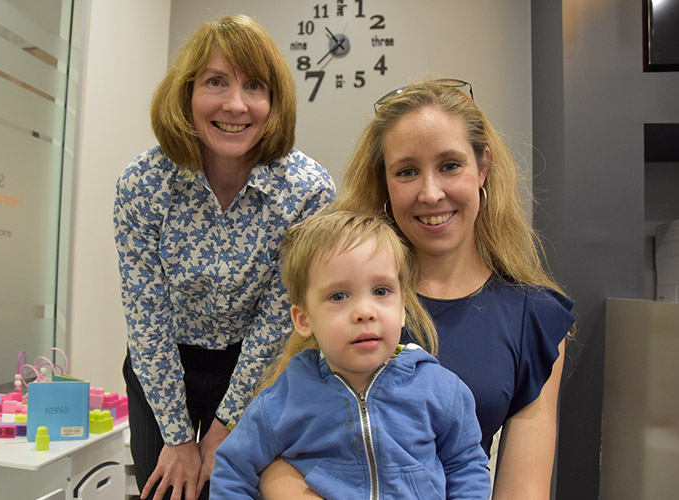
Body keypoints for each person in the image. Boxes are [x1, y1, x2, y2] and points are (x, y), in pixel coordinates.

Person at [260, 79, 576, 499]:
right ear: (385, 182)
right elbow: (273, 455)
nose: (431, 193)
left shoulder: (534, 319)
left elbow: (525, 489)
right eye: (407, 171)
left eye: (450, 165)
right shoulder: (341, 290)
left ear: (483, 167)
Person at [113, 14, 336, 500]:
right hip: (163, 365)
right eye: (216, 82)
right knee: (165, 489)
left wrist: (222, 427)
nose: (236, 105)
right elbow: (145, 315)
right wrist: (178, 438)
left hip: (255, 366)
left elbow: (279, 317)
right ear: (187, 94)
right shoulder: (143, 184)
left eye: (254, 86)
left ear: (274, 102)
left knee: (235, 490)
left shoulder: (306, 190)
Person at [211, 210, 491, 499]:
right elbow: (232, 470)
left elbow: (466, 467)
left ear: (403, 307)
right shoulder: (283, 400)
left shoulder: (441, 389)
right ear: (303, 320)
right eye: (339, 296)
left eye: (381, 291)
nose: (365, 312)